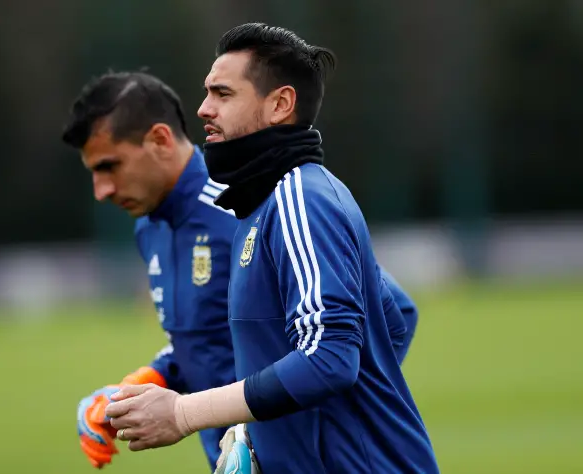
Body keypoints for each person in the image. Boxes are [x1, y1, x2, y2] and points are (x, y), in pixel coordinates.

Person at [104, 23, 439, 474]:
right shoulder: (258, 204)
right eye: (206, 93)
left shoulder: (300, 198)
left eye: (223, 94)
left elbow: (329, 359)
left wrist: (183, 414)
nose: (203, 109)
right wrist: (263, 426)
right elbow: (392, 318)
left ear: (280, 104)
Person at [61, 70, 239, 471]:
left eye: (110, 166)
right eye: (93, 172)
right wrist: (148, 380)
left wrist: (292, 429)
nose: (101, 191)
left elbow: (386, 316)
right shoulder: (149, 227)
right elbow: (210, 341)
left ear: (159, 140)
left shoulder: (244, 206)